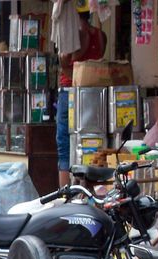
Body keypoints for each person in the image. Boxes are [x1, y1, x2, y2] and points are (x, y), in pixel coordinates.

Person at [56, 0, 106, 187]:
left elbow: (71, 63)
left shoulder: (75, 36)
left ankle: (65, 191)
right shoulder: (100, 35)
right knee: (89, 139)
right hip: (92, 94)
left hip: (71, 91)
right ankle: (86, 189)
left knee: (66, 143)